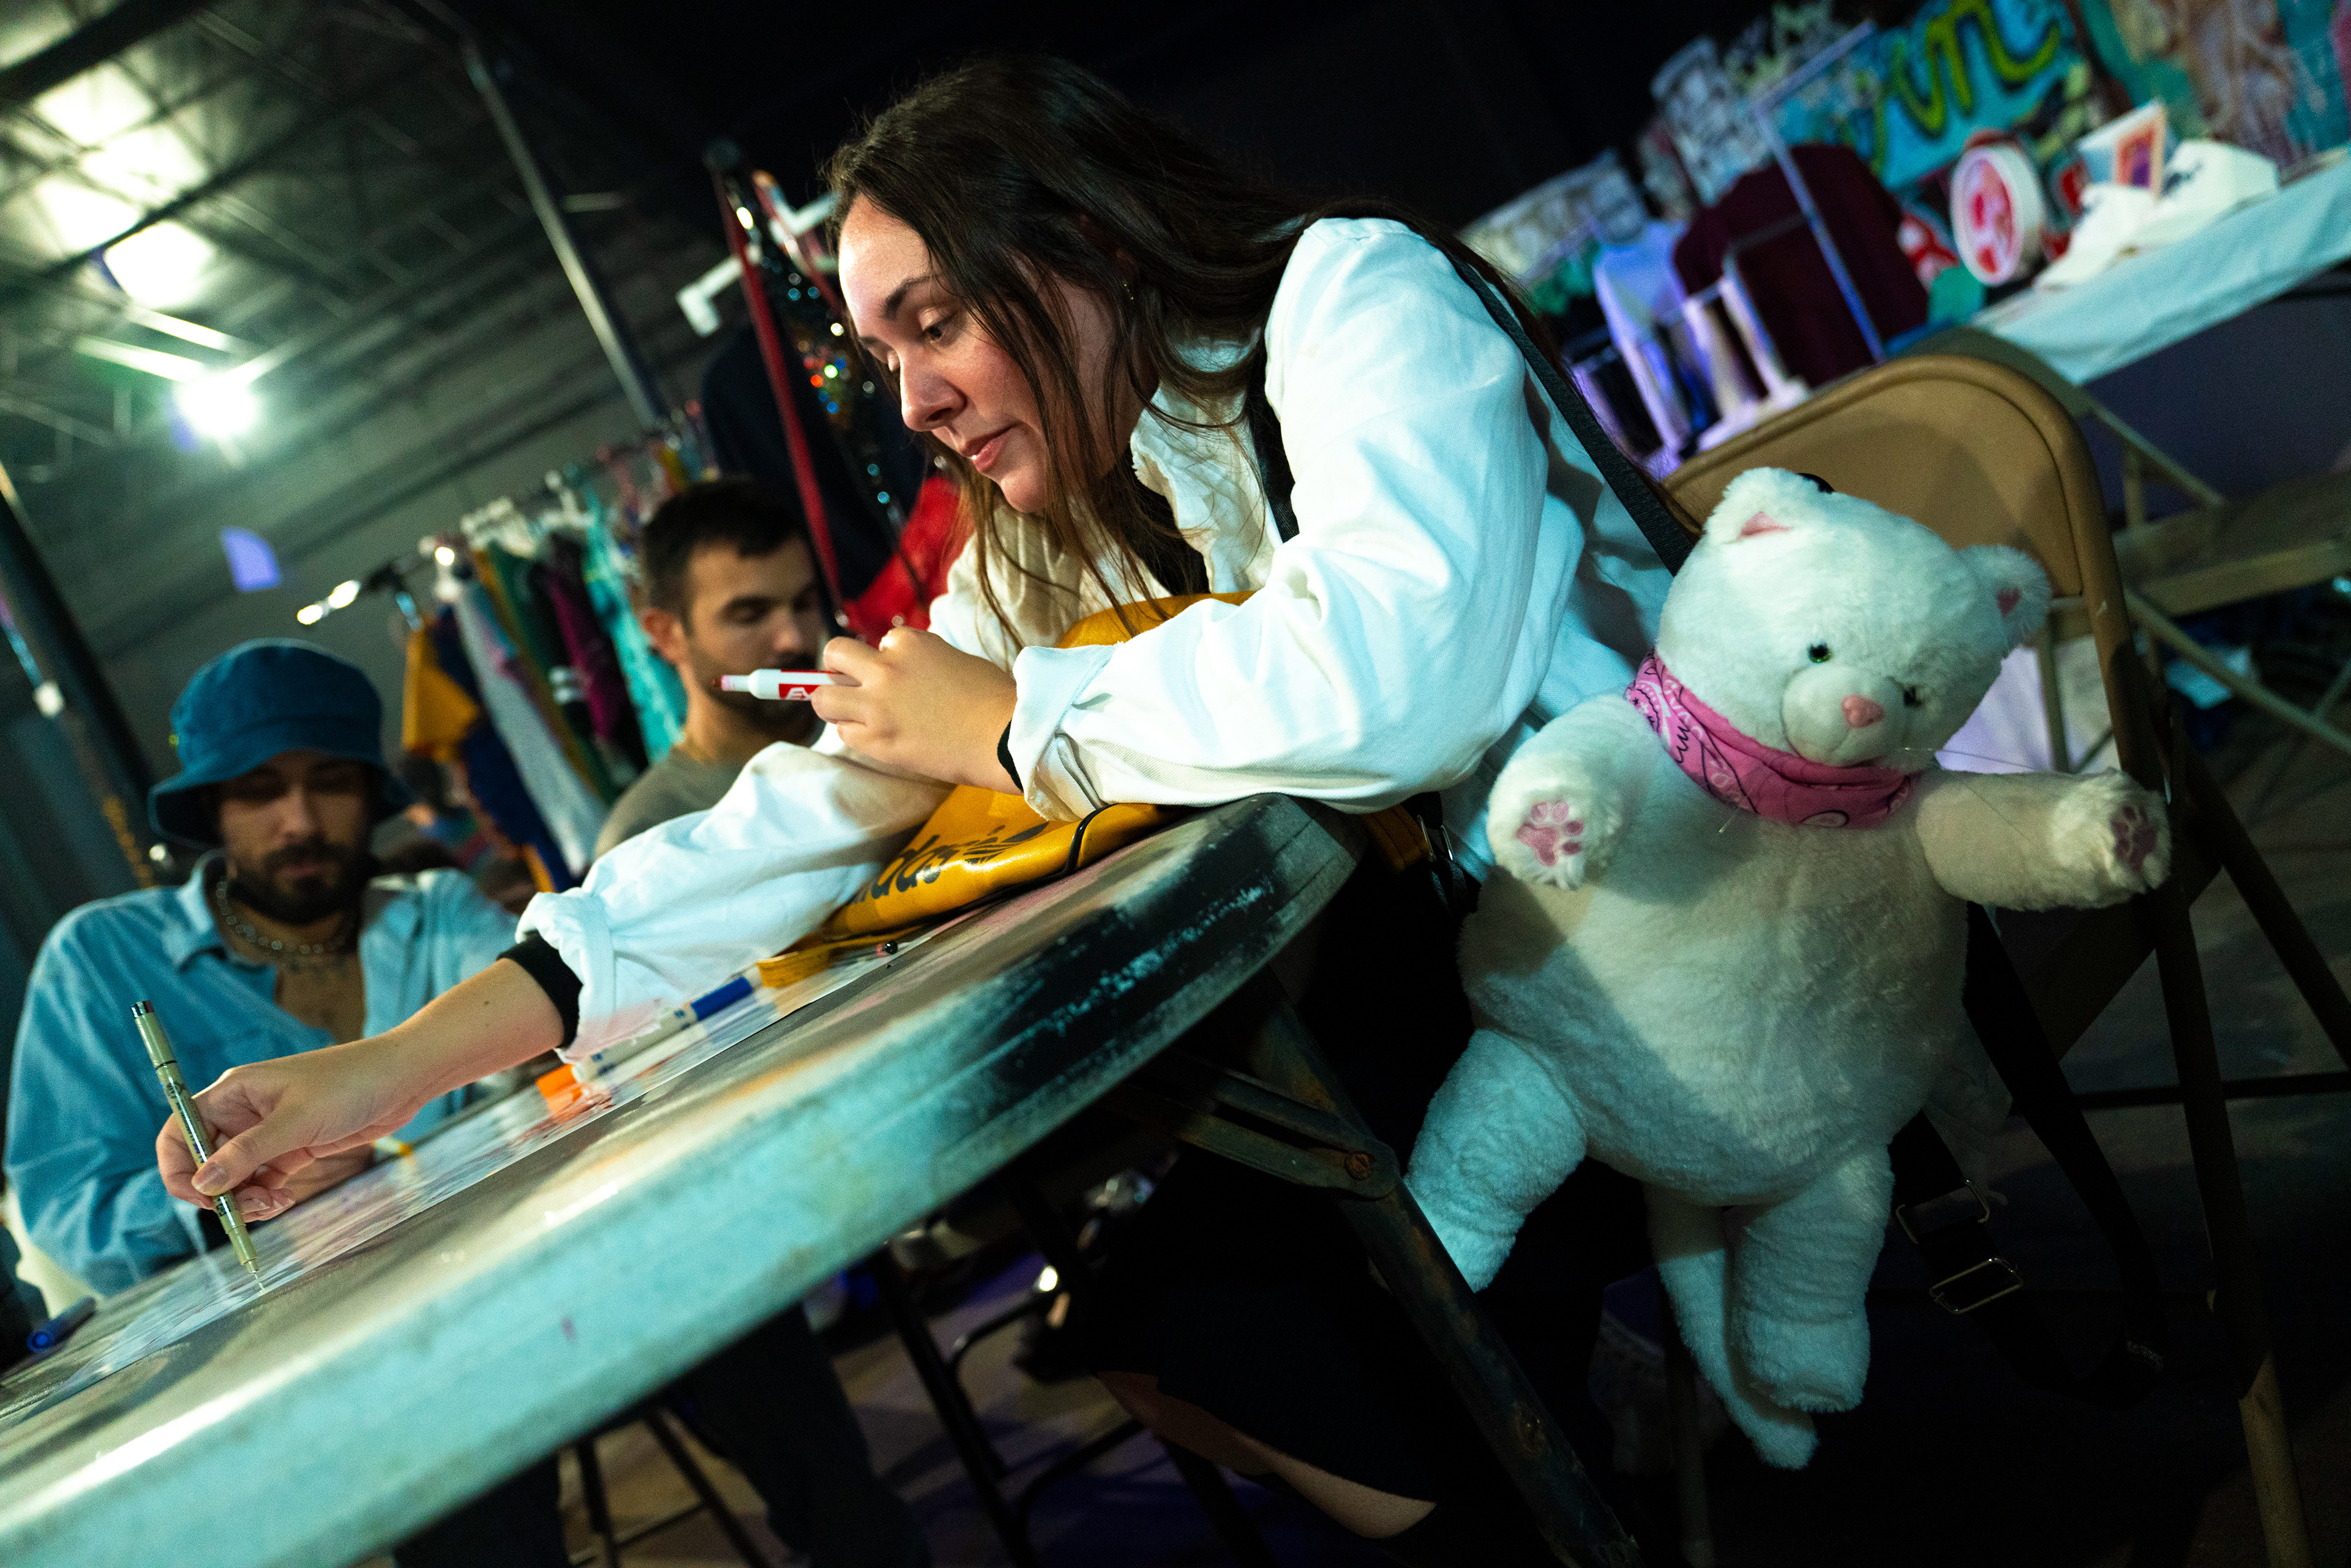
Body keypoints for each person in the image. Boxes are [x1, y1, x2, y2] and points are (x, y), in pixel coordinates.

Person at [156, 57, 1676, 1566]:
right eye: (879, 351)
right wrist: (395, 1066)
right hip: (1476, 978)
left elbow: (1413, 673)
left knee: (1252, 1323)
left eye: (934, 323)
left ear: (1087, 244)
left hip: (1669, 945)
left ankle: (1587, 1480)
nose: (911, 400)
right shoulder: (1063, 506)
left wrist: (1008, 721)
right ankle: (1577, 1460)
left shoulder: (1348, 289)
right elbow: (812, 805)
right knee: (1157, 1325)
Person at [11, 640, 921, 1568]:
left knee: (705, 1255)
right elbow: (68, 1208)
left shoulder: (437, 911)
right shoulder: (102, 959)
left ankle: (867, 1545)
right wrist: (230, 1192)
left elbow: (561, 1041)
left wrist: (441, 1102)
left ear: (371, 792)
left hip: (521, 1287)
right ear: (212, 805)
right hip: (316, 1365)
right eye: (259, 790)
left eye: (331, 782)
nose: (300, 820)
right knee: (438, 1422)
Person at [593, 478, 832, 859]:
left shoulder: (880, 738)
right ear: (666, 634)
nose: (794, 640)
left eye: (804, 604)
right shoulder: (648, 840)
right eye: (750, 616)